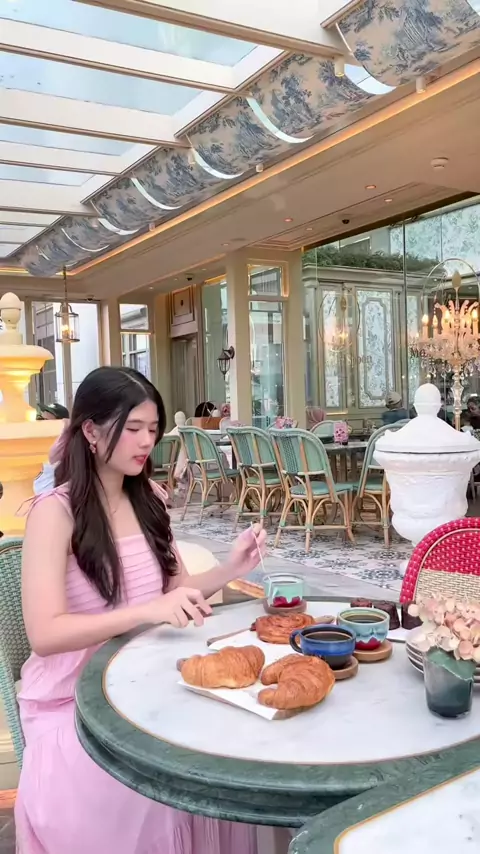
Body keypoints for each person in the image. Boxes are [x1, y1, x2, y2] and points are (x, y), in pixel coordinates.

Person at [17, 366, 266, 854]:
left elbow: (177, 590)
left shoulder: (149, 499)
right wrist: (149, 611)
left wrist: (231, 567)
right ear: (91, 431)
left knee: (234, 749)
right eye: (133, 428)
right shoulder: (55, 513)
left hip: (149, 678)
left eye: (152, 429)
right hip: (76, 701)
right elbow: (44, 634)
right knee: (152, 786)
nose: (147, 441)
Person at [33, 404, 70, 495]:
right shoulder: (36, 444)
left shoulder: (64, 448)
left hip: (50, 498)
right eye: (40, 418)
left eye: (46, 420)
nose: (41, 423)